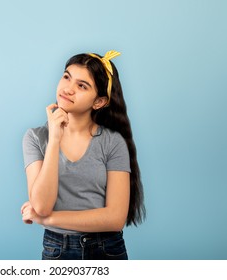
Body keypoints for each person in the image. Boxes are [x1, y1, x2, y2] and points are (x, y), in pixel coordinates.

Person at [21, 50, 145, 260]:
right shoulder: (35, 137)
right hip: (57, 250)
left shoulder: (112, 143)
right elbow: (41, 205)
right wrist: (54, 140)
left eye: (82, 85)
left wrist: (48, 220)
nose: (68, 89)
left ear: (99, 102)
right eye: (67, 76)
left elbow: (115, 218)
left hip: (107, 249)